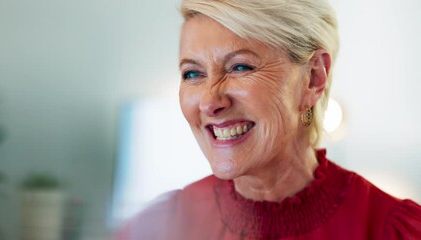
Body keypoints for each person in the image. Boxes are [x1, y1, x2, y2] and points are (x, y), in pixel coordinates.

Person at [117, 0, 421, 239]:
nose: (210, 101)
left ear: (314, 78)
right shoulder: (160, 228)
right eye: (193, 73)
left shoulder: (391, 230)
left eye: (240, 67)